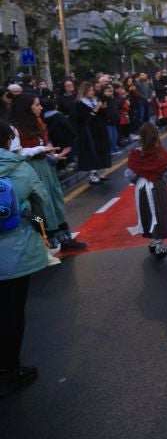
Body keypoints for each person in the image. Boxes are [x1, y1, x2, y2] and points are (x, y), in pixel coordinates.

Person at [0, 120, 51, 398]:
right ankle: (10, 371)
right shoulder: (20, 168)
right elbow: (41, 204)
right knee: (12, 313)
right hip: (17, 254)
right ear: (8, 141)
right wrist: (32, 218)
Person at [9, 95, 84, 251]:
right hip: (30, 170)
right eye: (36, 105)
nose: (40, 107)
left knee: (54, 201)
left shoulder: (37, 123)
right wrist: (42, 149)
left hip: (44, 167)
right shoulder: (14, 129)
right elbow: (16, 153)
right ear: (26, 107)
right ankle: (46, 240)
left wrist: (54, 155)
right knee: (41, 205)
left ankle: (63, 238)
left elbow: (41, 147)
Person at [125, 123, 167, 259]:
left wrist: (139, 180)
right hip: (158, 186)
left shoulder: (135, 154)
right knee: (159, 214)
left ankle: (152, 241)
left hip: (142, 187)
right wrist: (163, 179)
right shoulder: (162, 153)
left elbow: (129, 173)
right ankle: (159, 245)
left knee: (146, 212)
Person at [74, 81, 111, 186]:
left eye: (92, 90)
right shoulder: (80, 103)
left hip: (98, 131)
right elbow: (85, 119)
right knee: (91, 152)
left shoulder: (95, 100)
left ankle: (97, 173)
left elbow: (102, 115)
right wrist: (95, 109)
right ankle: (92, 175)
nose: (92, 92)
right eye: (89, 90)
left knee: (99, 151)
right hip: (88, 132)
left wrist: (103, 108)